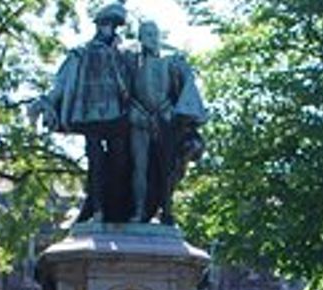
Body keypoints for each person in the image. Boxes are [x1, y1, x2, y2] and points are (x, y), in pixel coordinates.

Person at [39, 3, 131, 223]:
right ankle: (97, 209)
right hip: (90, 116)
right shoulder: (82, 53)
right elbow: (61, 83)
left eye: (115, 25)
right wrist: (48, 102)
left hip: (117, 116)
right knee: (96, 162)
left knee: (120, 160)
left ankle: (116, 208)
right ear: (100, 25)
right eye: (109, 24)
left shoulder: (123, 54)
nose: (113, 29)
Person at [125, 20, 206, 224]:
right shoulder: (131, 61)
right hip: (139, 120)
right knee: (139, 166)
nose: (152, 38)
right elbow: (125, 92)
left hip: (165, 118)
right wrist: (138, 112)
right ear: (140, 38)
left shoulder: (171, 61)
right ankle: (138, 210)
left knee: (168, 166)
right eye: (147, 34)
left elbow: (182, 90)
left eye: (155, 34)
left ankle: (166, 209)